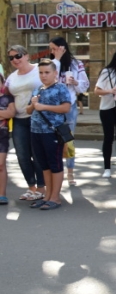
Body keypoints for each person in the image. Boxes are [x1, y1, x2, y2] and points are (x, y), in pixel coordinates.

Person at [26, 59, 72, 210]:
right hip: (35, 131)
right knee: (43, 165)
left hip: (52, 132)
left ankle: (55, 197)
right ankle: (47, 196)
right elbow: (28, 110)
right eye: (41, 72)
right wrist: (33, 104)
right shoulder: (38, 89)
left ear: (55, 73)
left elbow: (66, 108)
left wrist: (42, 106)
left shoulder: (60, 88)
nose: (43, 75)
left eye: (47, 72)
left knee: (55, 164)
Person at [5, 45, 46, 200]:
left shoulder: (39, 70)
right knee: (22, 155)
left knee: (37, 154)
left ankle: (41, 188)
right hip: (18, 119)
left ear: (27, 55)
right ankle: (31, 187)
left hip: (37, 118)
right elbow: (6, 96)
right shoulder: (12, 77)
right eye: (11, 58)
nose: (15, 60)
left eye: (18, 56)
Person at [50, 36, 89, 187]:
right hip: (52, 107)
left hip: (69, 105)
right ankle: (56, 170)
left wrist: (75, 82)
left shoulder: (75, 63)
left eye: (55, 48)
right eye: (51, 49)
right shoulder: (52, 63)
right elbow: (49, 79)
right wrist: (57, 59)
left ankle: (70, 171)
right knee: (52, 140)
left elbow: (85, 85)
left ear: (63, 47)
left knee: (69, 140)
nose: (53, 51)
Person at [93, 47, 116, 178]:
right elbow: (96, 90)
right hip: (107, 108)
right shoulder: (107, 71)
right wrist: (110, 91)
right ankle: (107, 167)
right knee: (108, 138)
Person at [0, 76, 14, 205]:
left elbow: (11, 113)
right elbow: (6, 113)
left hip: (2, 137)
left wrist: (6, 113)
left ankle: (2, 195)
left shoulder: (7, 99)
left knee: (1, 165)